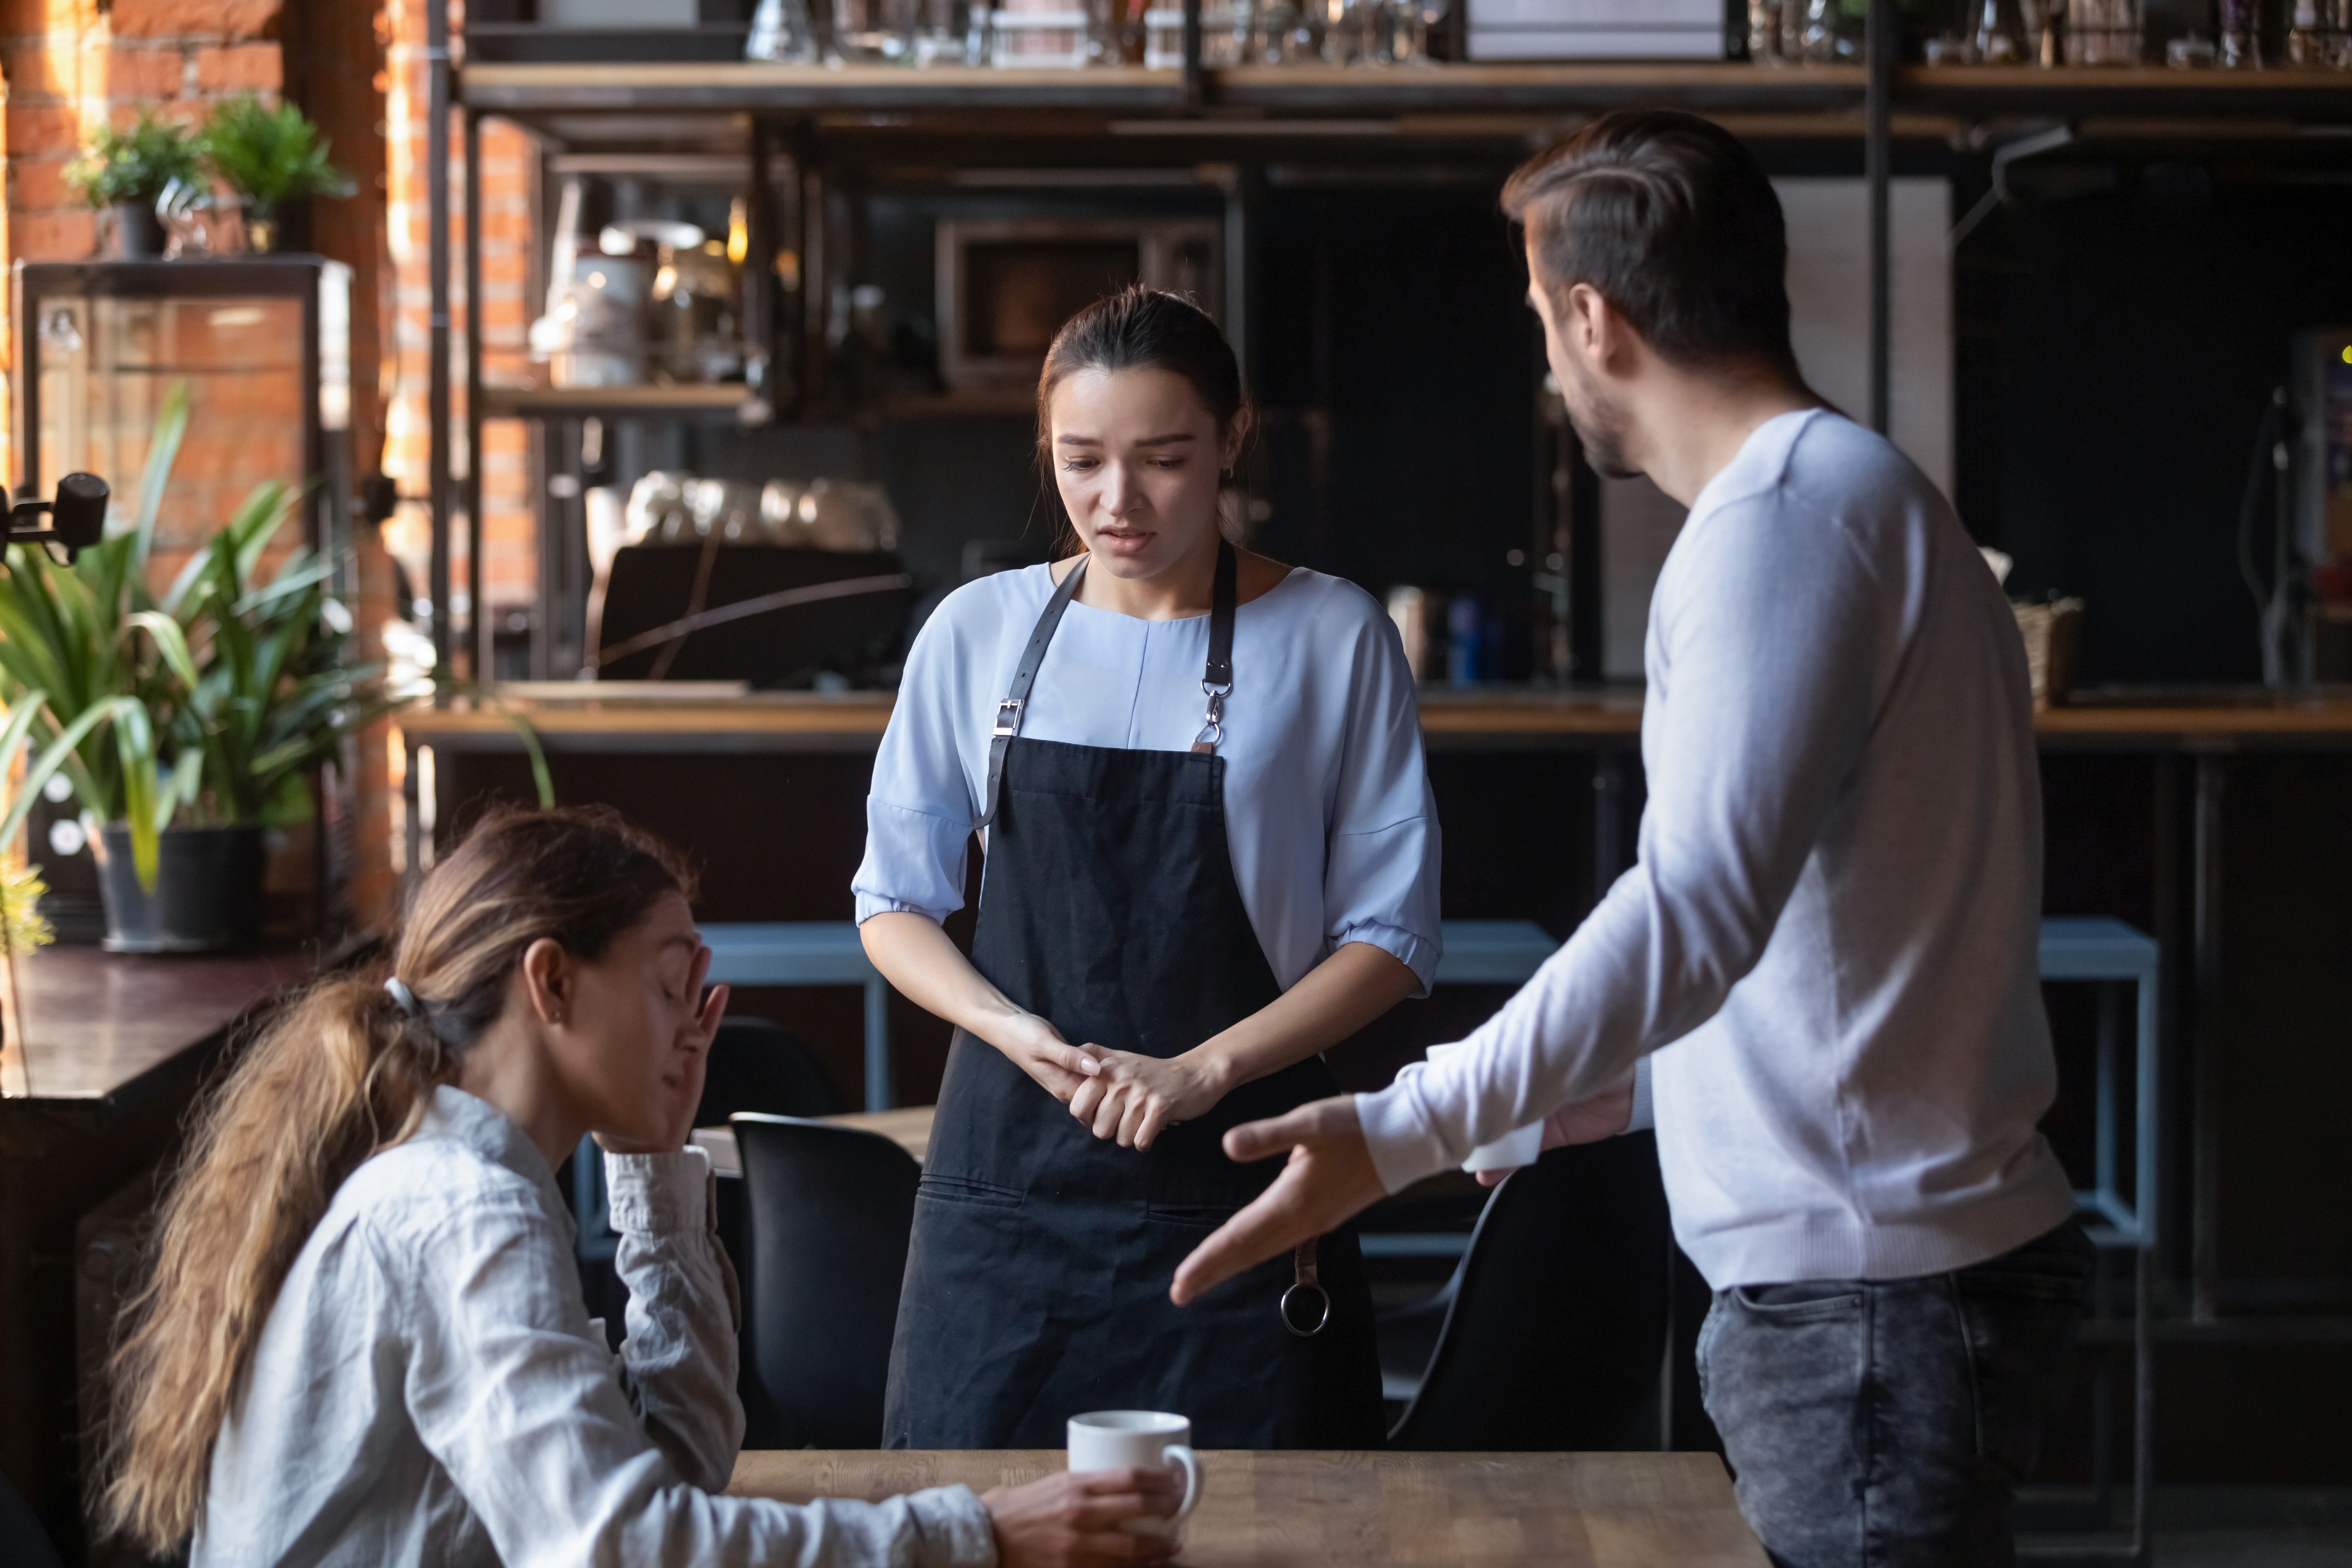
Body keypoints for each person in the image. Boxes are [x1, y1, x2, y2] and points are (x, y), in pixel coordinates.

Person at [1171, 111, 2093, 1567]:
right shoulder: (1856, 495)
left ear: (1594, 319)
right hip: (1898, 1278)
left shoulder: (1778, 521)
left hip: (1866, 1300)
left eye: (1542, 319)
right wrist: (1608, 1093)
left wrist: (1410, 1123)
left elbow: (1692, 911)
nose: (1546, 364)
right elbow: (1826, 935)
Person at [98, 805, 1182, 1568]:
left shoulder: (476, 1182)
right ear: (552, 981)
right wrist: (975, 1536)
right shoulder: (458, 1209)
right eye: (672, 986)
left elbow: (677, 1466)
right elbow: (613, 1548)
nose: (690, 1028)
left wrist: (659, 1167)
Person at [856, 286, 1441, 1450]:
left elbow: (1392, 938)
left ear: (1230, 440)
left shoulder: (1334, 635)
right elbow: (893, 901)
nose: (1115, 502)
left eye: (1163, 460)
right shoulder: (975, 630)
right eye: (1081, 461)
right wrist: (1011, 1029)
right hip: (1005, 1198)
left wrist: (1202, 1069)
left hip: (1242, 1178)